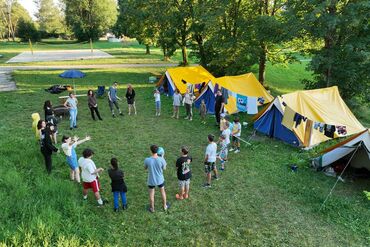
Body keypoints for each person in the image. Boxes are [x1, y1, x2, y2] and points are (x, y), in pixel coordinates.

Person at [144, 144, 169, 212]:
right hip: (160, 180)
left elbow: (145, 168)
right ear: (157, 151)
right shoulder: (161, 159)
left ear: (150, 151)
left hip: (151, 180)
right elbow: (164, 168)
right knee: (162, 192)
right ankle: (165, 206)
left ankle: (152, 208)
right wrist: (162, 158)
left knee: (151, 194)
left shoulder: (147, 160)